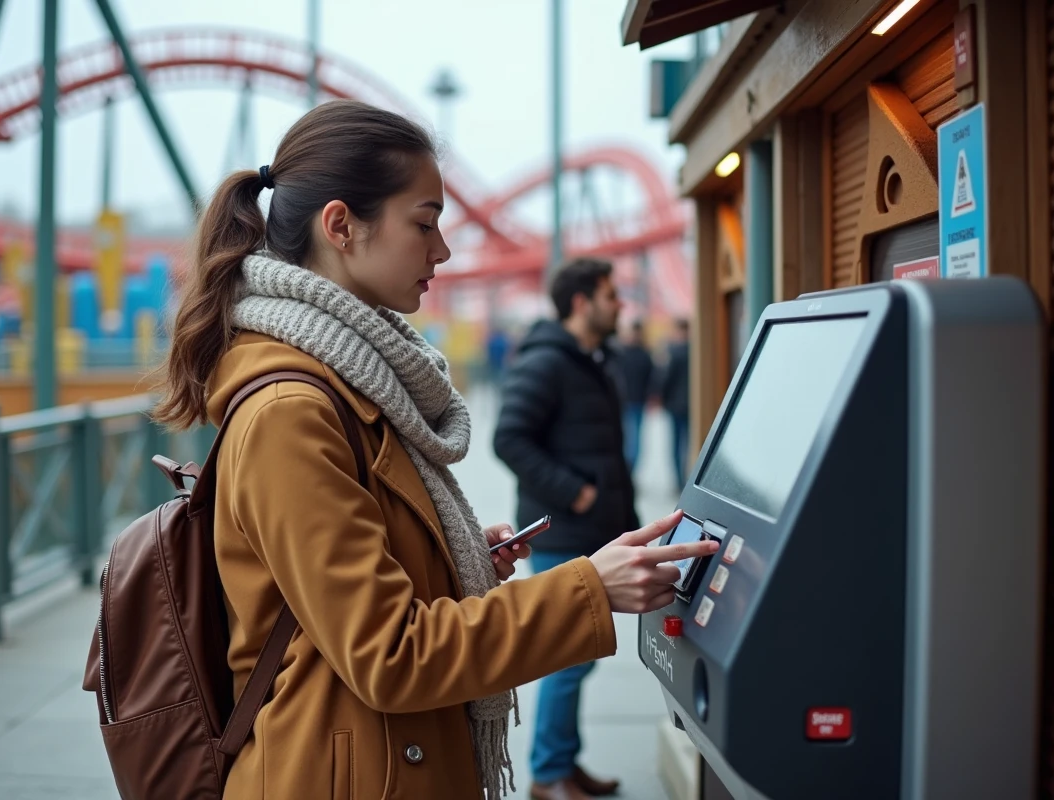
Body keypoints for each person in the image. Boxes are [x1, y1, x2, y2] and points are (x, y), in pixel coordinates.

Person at [153, 101, 717, 800]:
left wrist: (451, 558)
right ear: (341, 226)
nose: (443, 250)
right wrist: (589, 590)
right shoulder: (292, 413)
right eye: (424, 223)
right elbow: (389, 654)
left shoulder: (349, 378)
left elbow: (345, 598)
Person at [492, 258, 638, 800]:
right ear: (581, 302)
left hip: (593, 531)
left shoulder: (588, 359)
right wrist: (576, 492)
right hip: (565, 535)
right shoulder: (548, 363)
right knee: (568, 662)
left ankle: (564, 763)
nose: (619, 303)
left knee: (579, 660)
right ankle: (549, 775)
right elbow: (509, 439)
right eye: (609, 294)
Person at [615, 319, 657, 473]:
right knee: (628, 437)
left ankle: (630, 468)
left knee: (634, 439)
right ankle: (627, 467)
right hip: (625, 401)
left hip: (637, 401)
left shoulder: (642, 354)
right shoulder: (622, 353)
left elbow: (652, 378)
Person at [657, 318, 691, 490]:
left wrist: (661, 397)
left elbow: (666, 378)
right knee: (689, 442)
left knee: (676, 444)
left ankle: (679, 480)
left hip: (675, 405)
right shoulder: (696, 351)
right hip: (691, 405)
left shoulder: (673, 352)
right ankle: (688, 478)